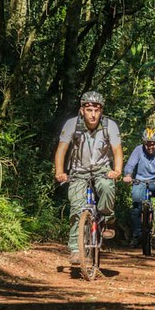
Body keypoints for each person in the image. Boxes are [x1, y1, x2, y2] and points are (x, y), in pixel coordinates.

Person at [54, 91, 123, 265]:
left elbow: (117, 151)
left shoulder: (110, 126)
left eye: (97, 110)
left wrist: (117, 170)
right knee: (77, 207)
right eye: (89, 109)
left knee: (107, 188)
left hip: (102, 170)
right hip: (78, 171)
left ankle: (107, 219)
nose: (93, 114)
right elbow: (62, 149)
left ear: (101, 112)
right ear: (82, 110)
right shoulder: (72, 125)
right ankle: (76, 249)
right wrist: (60, 171)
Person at [122, 128, 155, 247]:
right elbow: (130, 165)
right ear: (143, 143)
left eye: (153, 144)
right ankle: (137, 235)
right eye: (147, 144)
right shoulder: (138, 150)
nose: (150, 147)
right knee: (136, 208)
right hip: (140, 181)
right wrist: (128, 175)